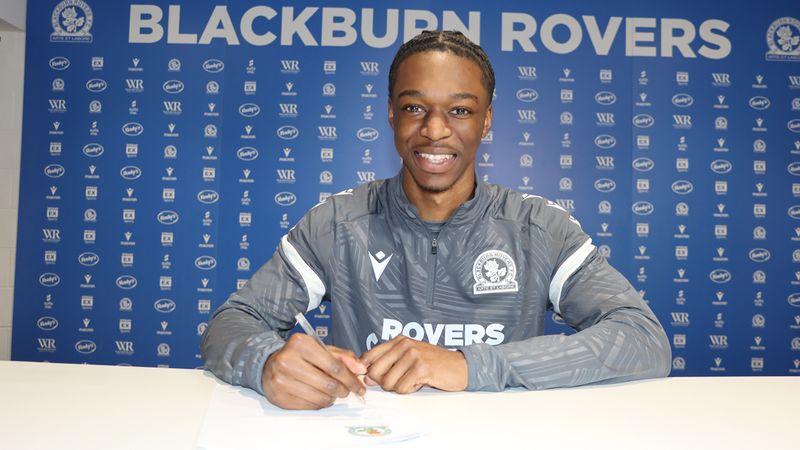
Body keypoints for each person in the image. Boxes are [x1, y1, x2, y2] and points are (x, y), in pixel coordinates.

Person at [201, 30, 671, 410]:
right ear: (391, 114)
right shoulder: (339, 222)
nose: (435, 129)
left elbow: (643, 339)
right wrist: (264, 362)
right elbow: (233, 322)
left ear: (486, 121)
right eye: (414, 108)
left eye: (460, 110)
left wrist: (469, 366)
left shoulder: (538, 227)